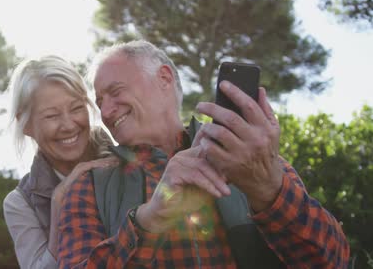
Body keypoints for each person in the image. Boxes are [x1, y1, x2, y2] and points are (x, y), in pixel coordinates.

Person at [57, 40, 350, 268]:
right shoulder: (89, 186)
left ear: (164, 77)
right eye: (100, 101)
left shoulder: (252, 158)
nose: (106, 112)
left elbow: (334, 262)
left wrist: (269, 189)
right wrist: (149, 220)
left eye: (116, 91)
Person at [2, 55, 117, 269]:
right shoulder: (20, 203)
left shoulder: (124, 158)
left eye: (76, 109)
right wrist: (58, 206)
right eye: (52, 116)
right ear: (25, 124)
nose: (68, 125)